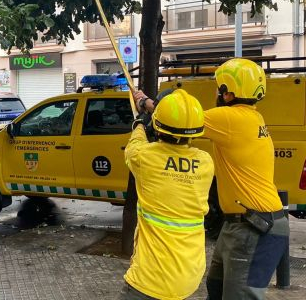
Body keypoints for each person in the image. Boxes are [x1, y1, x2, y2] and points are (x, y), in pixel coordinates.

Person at [134, 58, 288, 300]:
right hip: (242, 225)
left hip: (255, 228)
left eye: (219, 87)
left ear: (228, 92)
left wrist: (144, 103)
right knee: (215, 291)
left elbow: (179, 120)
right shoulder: (252, 117)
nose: (217, 91)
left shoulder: (230, 118)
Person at [122, 89, 214, 300]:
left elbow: (135, 144)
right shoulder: (205, 163)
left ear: (158, 126)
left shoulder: (145, 157)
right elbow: (180, 121)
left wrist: (139, 122)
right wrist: (148, 104)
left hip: (150, 280)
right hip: (189, 277)